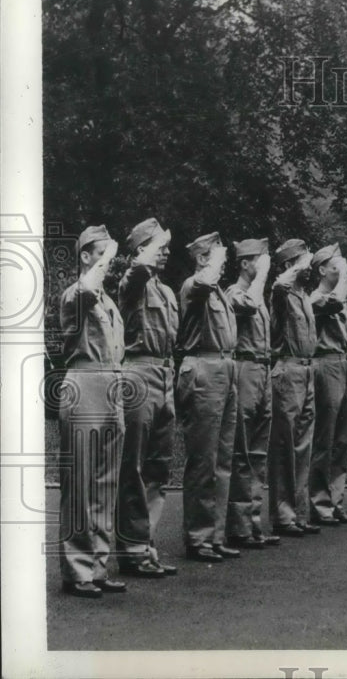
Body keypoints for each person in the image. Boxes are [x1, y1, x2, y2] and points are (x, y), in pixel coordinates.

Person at [58, 225, 128, 597]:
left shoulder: (107, 302)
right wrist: (109, 254)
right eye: (102, 254)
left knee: (105, 483)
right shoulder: (77, 294)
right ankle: (76, 571)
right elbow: (87, 287)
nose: (109, 262)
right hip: (84, 382)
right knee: (82, 482)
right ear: (86, 257)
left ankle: (98, 566)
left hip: (111, 384)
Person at [115, 218, 179, 578]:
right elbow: (139, 268)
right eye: (158, 244)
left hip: (165, 375)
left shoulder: (167, 292)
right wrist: (150, 250)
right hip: (138, 374)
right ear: (142, 250)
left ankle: (146, 546)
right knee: (133, 467)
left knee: (158, 466)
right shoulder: (132, 283)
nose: (166, 250)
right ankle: (132, 549)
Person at [176, 231, 239, 562]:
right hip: (203, 367)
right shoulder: (194, 286)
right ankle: (198, 538)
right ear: (203, 259)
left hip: (225, 368)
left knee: (223, 458)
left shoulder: (218, 292)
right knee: (203, 458)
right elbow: (203, 282)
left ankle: (214, 534)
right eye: (218, 256)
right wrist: (212, 262)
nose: (224, 262)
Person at [224, 238, 280, 548]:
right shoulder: (235, 292)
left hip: (263, 370)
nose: (266, 265)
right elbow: (246, 305)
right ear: (246, 264)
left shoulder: (259, 294)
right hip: (245, 370)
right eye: (260, 259)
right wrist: (261, 277)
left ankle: (253, 522)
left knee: (258, 452)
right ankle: (239, 526)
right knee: (242, 450)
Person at [268, 239, 319, 536]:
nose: (308, 268)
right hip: (287, 370)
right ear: (290, 266)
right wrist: (297, 265)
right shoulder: (283, 295)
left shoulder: (303, 295)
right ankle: (283, 515)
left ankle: (298, 513)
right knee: (285, 447)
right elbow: (277, 287)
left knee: (303, 446)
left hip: (306, 369)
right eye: (302, 263)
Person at [309, 244, 347, 524]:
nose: (341, 270)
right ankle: (319, 503)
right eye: (335, 266)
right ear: (321, 269)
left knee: (342, 439)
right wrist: (344, 278)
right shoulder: (317, 298)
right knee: (325, 438)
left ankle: (336, 500)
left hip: (344, 362)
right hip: (326, 364)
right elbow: (336, 302)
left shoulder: (337, 295)